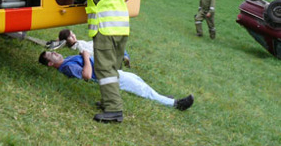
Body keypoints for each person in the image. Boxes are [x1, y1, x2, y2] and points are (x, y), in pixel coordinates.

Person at [70, 0, 130, 122]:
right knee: (112, 67)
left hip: (105, 28)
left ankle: (114, 110)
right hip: (121, 28)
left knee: (105, 70)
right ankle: (108, 101)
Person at [38, 50, 194, 122]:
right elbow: (86, 75)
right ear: (51, 63)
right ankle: (176, 104)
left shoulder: (66, 61)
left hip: (111, 72)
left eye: (54, 51)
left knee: (139, 81)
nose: (56, 53)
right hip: (110, 77)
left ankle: (162, 98)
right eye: (52, 55)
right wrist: (86, 57)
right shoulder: (66, 67)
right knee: (143, 90)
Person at [58, 29, 131, 67]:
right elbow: (87, 52)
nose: (73, 36)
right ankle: (123, 57)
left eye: (72, 33)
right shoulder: (76, 46)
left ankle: (123, 57)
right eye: (70, 36)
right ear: (66, 41)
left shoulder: (76, 43)